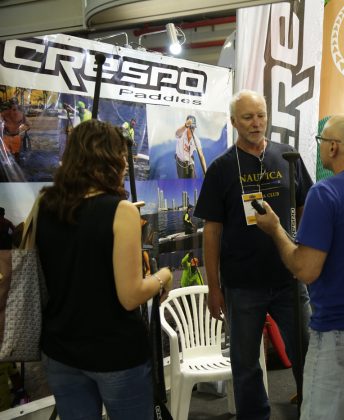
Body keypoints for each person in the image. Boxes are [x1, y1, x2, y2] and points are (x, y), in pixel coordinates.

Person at [255, 114, 344, 419]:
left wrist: (275, 229)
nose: (321, 148)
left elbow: (305, 270)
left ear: (333, 147)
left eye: (322, 142)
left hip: (341, 331)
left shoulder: (325, 193)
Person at [35, 119, 173, 418]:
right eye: (121, 156)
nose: (125, 163)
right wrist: (163, 277)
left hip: (60, 350)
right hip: (114, 354)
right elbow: (131, 295)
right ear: (109, 159)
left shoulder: (45, 205)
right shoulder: (120, 211)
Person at [194, 89, 313, 420]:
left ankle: (314, 411)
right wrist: (214, 287)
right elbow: (212, 232)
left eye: (261, 115)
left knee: (306, 354)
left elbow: (305, 207)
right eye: (248, 117)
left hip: (289, 280)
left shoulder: (288, 157)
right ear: (234, 122)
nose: (256, 123)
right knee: (245, 364)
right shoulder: (221, 169)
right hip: (243, 285)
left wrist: (304, 251)